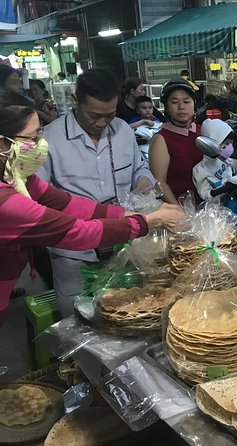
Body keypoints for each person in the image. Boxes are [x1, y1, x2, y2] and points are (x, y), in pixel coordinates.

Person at [0, 89, 183, 326]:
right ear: (3, 143)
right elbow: (77, 232)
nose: (38, 145)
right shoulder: (6, 201)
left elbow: (66, 202)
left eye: (39, 136)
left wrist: (128, 214)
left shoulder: (17, 176)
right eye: (31, 138)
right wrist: (148, 222)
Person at [37, 68, 156, 313]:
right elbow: (38, 199)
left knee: (125, 311)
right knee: (77, 317)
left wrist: (143, 180)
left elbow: (140, 167)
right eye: (94, 115)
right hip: (74, 252)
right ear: (74, 101)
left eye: (109, 115)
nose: (102, 123)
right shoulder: (49, 139)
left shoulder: (123, 130)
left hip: (123, 244)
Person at [148, 79, 202, 204]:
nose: (181, 107)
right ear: (166, 107)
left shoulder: (203, 130)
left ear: (194, 104)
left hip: (209, 206)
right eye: (174, 102)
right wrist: (179, 212)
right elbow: (159, 182)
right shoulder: (161, 139)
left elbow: (223, 160)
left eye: (186, 101)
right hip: (178, 209)